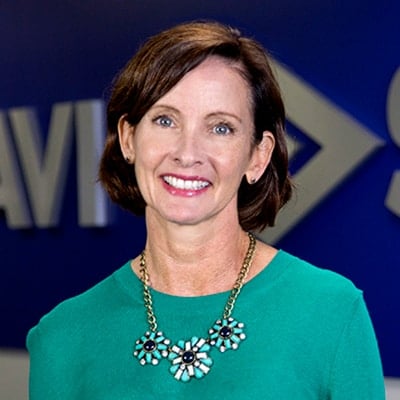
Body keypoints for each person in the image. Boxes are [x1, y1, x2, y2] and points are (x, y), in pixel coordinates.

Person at [27, 21, 385, 399]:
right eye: (165, 120)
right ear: (129, 138)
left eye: (221, 128)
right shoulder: (63, 338)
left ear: (258, 156)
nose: (187, 153)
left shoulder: (331, 313)